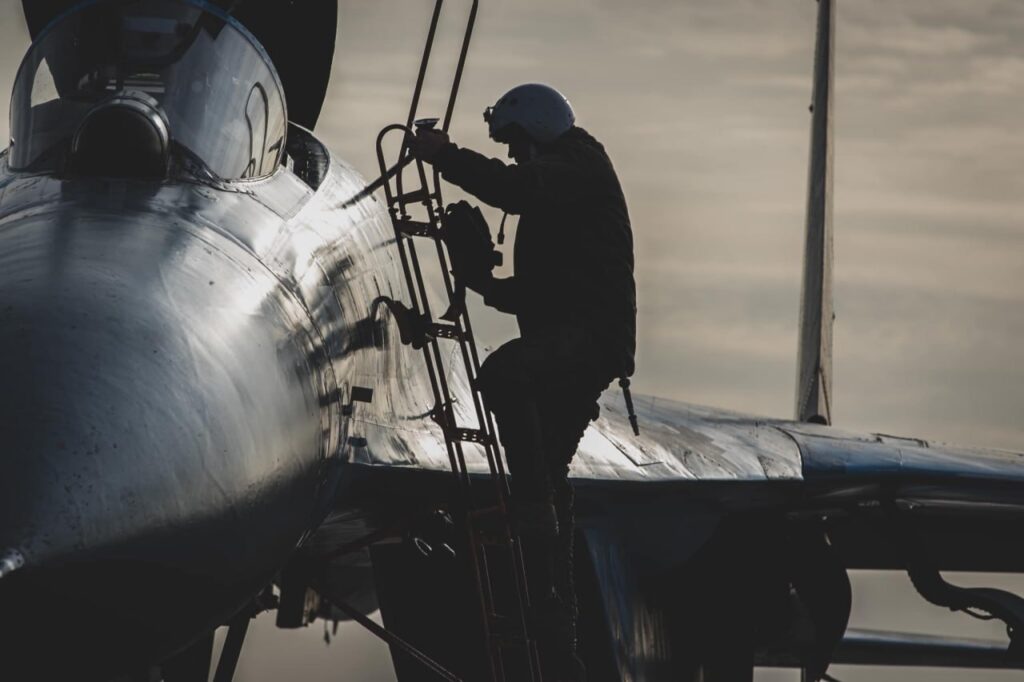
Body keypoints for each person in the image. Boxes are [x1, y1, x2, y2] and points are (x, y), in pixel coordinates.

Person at [410, 83, 636, 682]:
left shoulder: (576, 168)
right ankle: (556, 639)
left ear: (535, 133)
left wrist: (442, 156)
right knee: (548, 490)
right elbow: (537, 295)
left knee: (506, 373)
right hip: (573, 339)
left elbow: (515, 188)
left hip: (588, 340)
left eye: (513, 144)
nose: (512, 156)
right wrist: (482, 280)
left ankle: (531, 503)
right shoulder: (559, 197)